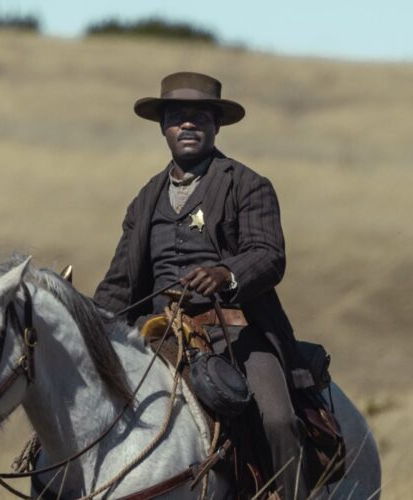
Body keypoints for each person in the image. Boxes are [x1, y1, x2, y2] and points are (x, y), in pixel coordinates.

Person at [94, 71, 317, 499]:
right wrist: (87, 322)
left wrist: (226, 274)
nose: (187, 124)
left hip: (234, 332)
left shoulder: (248, 184)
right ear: (163, 127)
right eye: (177, 116)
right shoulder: (145, 200)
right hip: (154, 333)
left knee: (278, 420)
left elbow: (269, 255)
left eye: (199, 116)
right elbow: (120, 283)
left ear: (216, 125)